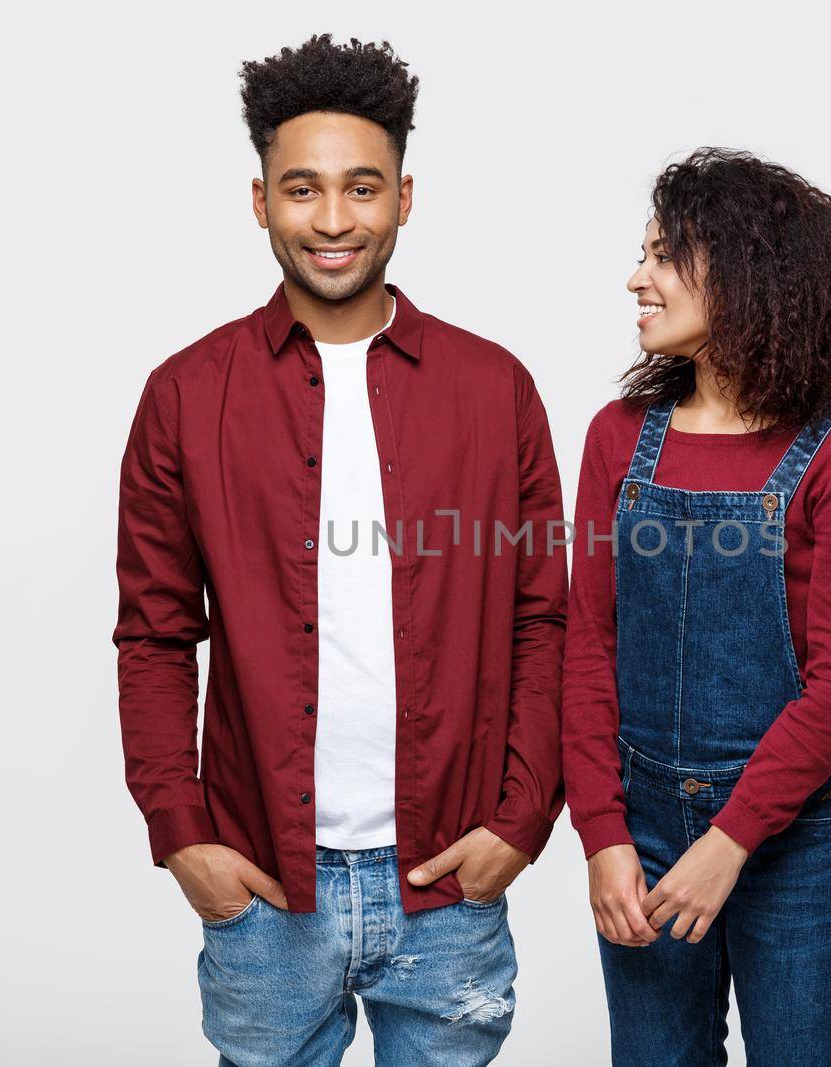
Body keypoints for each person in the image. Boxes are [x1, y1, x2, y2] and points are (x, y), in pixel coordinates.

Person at [112, 35, 567, 1066]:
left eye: (360, 188)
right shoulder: (185, 395)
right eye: (300, 189)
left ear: (405, 197)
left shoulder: (495, 390)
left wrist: (521, 815)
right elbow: (154, 631)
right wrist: (183, 832)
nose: (330, 221)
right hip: (266, 887)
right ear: (260, 200)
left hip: (448, 880)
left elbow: (543, 616)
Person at [561, 147, 831, 1066]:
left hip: (796, 841)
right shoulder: (616, 439)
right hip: (645, 830)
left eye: (664, 256)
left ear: (747, 276)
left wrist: (730, 841)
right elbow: (586, 644)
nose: (638, 277)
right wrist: (602, 833)